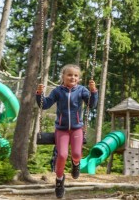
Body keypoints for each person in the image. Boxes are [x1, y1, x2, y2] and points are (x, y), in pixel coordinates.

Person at [36, 64, 98, 199]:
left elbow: (91, 105)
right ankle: (59, 180)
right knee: (62, 155)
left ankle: (76, 164)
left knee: (76, 154)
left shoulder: (81, 90)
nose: (73, 77)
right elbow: (45, 105)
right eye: (69, 74)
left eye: (76, 75)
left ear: (79, 78)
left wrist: (93, 92)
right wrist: (39, 94)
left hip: (77, 128)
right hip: (61, 129)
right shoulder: (58, 91)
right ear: (63, 76)